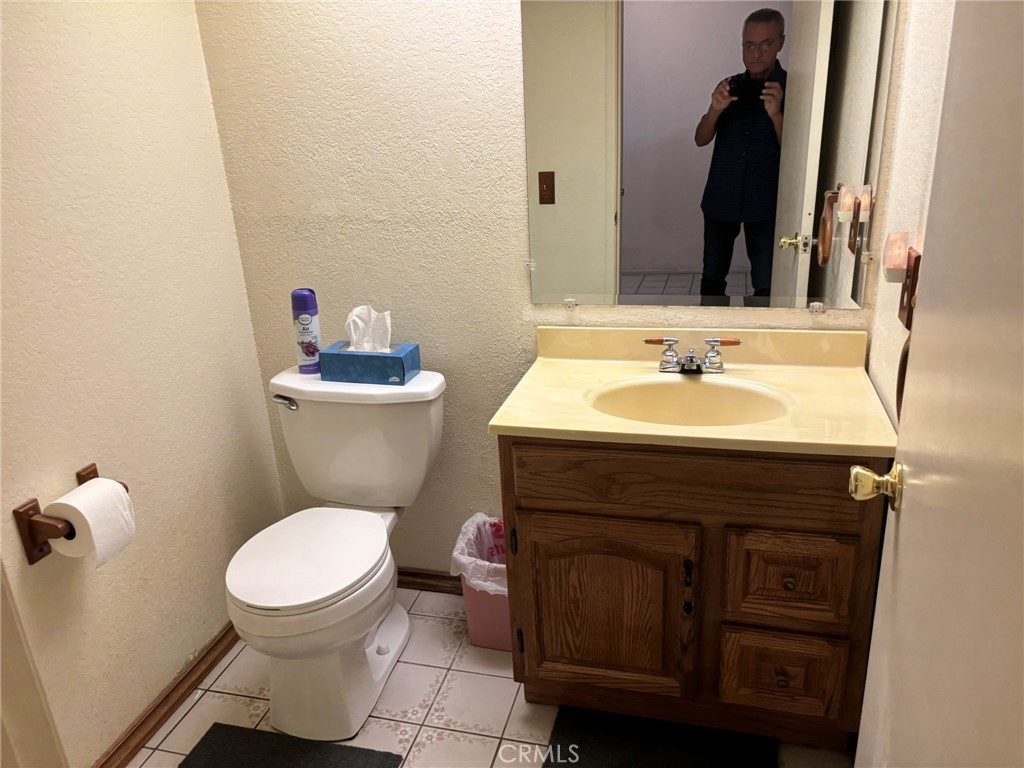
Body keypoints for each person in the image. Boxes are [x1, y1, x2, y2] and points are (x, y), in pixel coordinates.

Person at [695, 8, 786, 305]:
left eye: (765, 44)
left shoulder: (794, 88)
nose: (756, 53)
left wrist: (777, 115)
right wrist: (715, 109)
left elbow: (801, 155)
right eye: (749, 45)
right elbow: (701, 138)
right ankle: (710, 332)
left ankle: (759, 342)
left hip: (766, 202)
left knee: (766, 284)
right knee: (712, 279)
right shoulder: (729, 87)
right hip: (722, 197)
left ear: (780, 43)